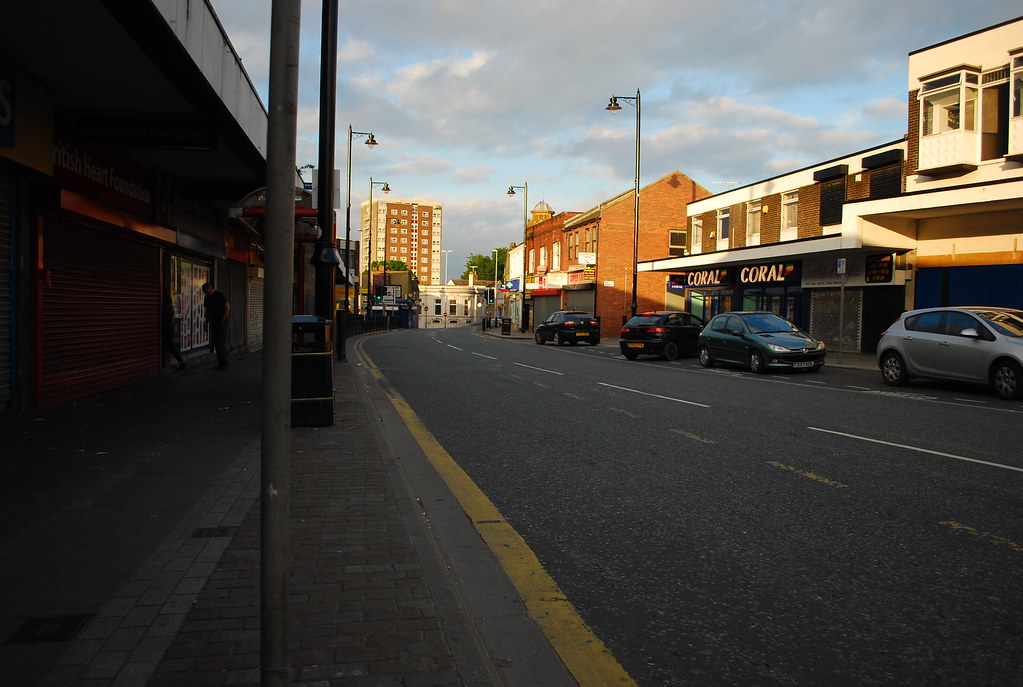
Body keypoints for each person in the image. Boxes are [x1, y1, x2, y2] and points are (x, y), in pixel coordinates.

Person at [201, 282, 230, 369]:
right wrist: (206, 322)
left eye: (205, 291)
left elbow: (227, 307)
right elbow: (207, 310)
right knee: (215, 343)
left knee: (220, 343)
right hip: (213, 322)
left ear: (209, 288)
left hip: (222, 323)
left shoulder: (219, 295)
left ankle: (225, 362)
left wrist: (222, 320)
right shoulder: (207, 297)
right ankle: (221, 362)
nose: (205, 293)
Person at [162, 294, 186, 370]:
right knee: (170, 344)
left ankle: (181, 361)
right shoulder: (169, 307)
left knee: (170, 345)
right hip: (169, 328)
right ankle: (181, 361)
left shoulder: (166, 307)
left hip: (167, 329)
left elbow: (167, 319)